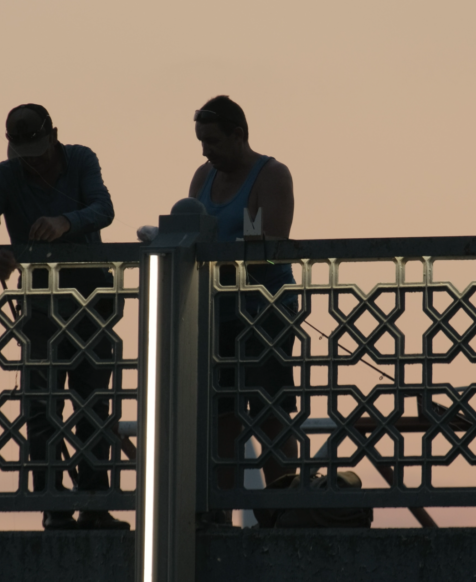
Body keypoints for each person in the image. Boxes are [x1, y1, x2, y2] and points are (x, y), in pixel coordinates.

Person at [0, 103, 129, 531]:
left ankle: (94, 503)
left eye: (38, 150)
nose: (33, 162)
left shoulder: (82, 158)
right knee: (41, 407)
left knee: (93, 404)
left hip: (93, 300)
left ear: (54, 134)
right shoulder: (5, 175)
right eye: (24, 155)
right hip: (41, 306)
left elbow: (104, 208)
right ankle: (54, 506)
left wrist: (65, 223)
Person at [187, 96, 299, 509]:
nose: (206, 151)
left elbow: (273, 246)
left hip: (265, 309)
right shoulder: (202, 178)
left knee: (270, 409)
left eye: (213, 141)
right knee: (222, 414)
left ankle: (282, 510)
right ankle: (220, 508)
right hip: (219, 312)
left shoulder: (271, 174)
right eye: (201, 142)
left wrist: (227, 252)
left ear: (239, 135)